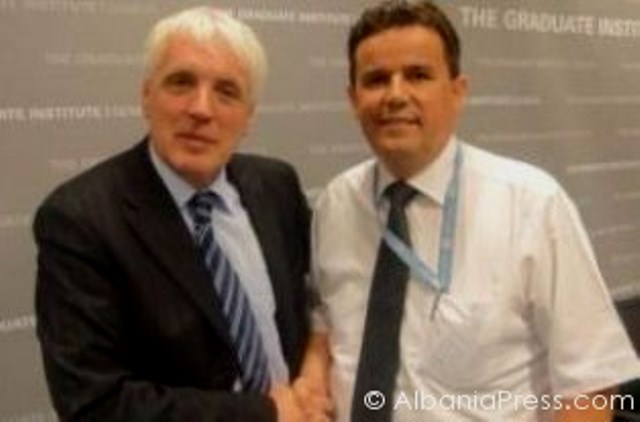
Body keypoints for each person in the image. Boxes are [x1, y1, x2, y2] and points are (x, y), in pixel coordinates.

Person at [310, 1, 640, 421]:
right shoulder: (336, 204)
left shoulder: (532, 205)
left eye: (418, 75)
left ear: (457, 91)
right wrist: (311, 379)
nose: (395, 95)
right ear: (353, 99)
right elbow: (327, 324)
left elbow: (590, 383)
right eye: (376, 80)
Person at [34, 7, 315, 421]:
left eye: (227, 91)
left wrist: (312, 377)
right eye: (181, 82)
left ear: (248, 117)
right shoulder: (80, 220)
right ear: (146, 96)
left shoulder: (276, 186)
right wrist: (265, 413)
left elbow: (311, 306)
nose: (201, 109)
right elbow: (94, 404)